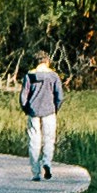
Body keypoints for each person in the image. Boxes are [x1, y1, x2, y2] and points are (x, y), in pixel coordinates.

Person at [20, 50, 64, 179]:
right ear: (47, 61)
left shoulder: (29, 76)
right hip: (49, 111)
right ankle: (47, 162)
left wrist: (26, 109)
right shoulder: (54, 76)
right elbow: (59, 96)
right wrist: (55, 108)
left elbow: (23, 97)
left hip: (33, 112)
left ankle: (36, 173)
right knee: (49, 139)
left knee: (34, 141)